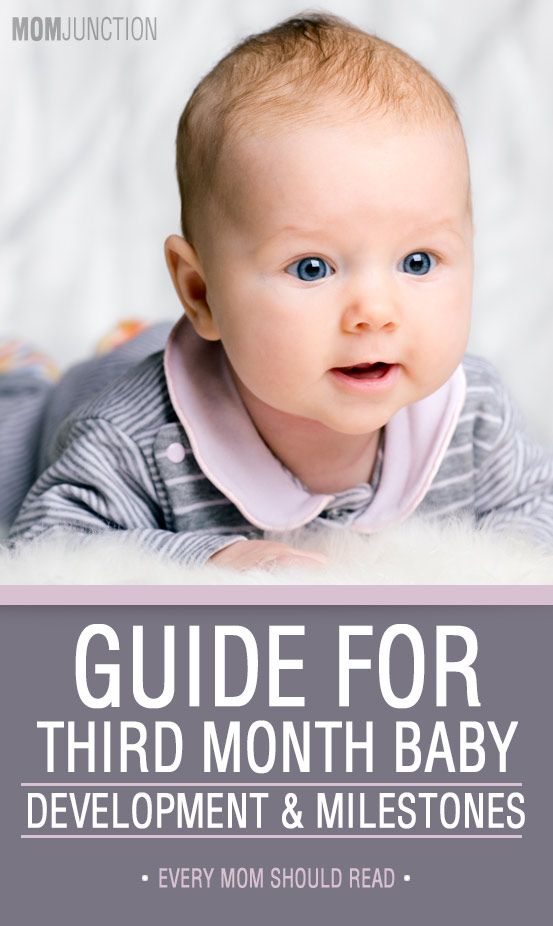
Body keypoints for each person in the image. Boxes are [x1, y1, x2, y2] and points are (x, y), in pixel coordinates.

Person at [3, 13, 553, 569]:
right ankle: (26, 375)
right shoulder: (135, 439)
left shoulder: (472, 417)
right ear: (201, 293)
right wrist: (209, 561)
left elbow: (535, 511)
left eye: (417, 261)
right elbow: (48, 546)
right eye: (312, 268)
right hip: (84, 395)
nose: (375, 313)